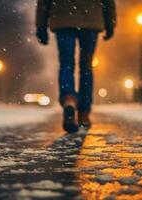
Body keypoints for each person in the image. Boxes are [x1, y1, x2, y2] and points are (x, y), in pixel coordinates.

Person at [36, 0, 116, 133]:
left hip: (63, 15)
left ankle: (69, 99)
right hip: (91, 17)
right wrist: (110, 21)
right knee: (86, 68)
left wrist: (41, 24)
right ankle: (84, 112)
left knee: (66, 64)